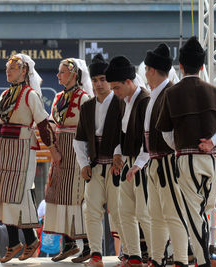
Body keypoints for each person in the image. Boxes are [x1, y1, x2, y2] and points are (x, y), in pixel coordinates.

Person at [156, 36, 216, 267]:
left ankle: (203, 261)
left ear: (180, 66)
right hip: (212, 160)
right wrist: (212, 142)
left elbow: (165, 133)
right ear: (202, 66)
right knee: (204, 210)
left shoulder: (171, 94)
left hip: (187, 159)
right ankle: (205, 256)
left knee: (194, 212)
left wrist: (181, 146)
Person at [0, 53, 58, 263]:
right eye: (7, 68)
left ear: (24, 70)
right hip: (4, 149)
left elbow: (43, 125)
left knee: (18, 192)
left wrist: (53, 151)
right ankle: (20, 241)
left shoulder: (30, 95)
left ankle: (26, 240)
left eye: (13, 67)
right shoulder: (5, 95)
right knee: (1, 190)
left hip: (22, 148)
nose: (8, 71)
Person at [73, 53, 124, 267]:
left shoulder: (121, 103)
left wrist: (119, 153)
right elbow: (80, 140)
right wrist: (83, 163)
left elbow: (126, 133)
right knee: (91, 211)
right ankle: (95, 255)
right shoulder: (86, 107)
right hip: (94, 167)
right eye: (94, 80)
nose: (99, 84)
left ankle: (128, 254)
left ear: (109, 81)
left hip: (116, 168)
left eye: (103, 79)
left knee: (121, 211)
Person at [143, 43, 189, 267]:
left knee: (173, 214)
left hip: (167, 161)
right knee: (156, 216)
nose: (144, 73)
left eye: (146, 69)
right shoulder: (155, 94)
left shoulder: (170, 92)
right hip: (154, 161)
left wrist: (171, 154)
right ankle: (157, 258)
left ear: (152, 70)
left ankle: (180, 259)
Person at [43, 58, 93, 263]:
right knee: (57, 195)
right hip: (60, 150)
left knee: (77, 197)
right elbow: (53, 123)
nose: (58, 75)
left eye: (62, 72)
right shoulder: (57, 97)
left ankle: (89, 246)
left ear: (74, 74)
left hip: (77, 149)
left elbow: (90, 128)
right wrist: (52, 148)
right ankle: (69, 244)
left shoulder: (85, 98)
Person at [107, 55, 151, 267]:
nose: (114, 92)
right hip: (129, 162)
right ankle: (133, 256)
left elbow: (149, 139)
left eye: (116, 88)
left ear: (128, 82)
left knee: (144, 213)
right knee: (124, 211)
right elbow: (123, 134)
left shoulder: (145, 100)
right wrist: (118, 153)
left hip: (143, 163)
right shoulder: (125, 101)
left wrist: (137, 164)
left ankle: (155, 256)